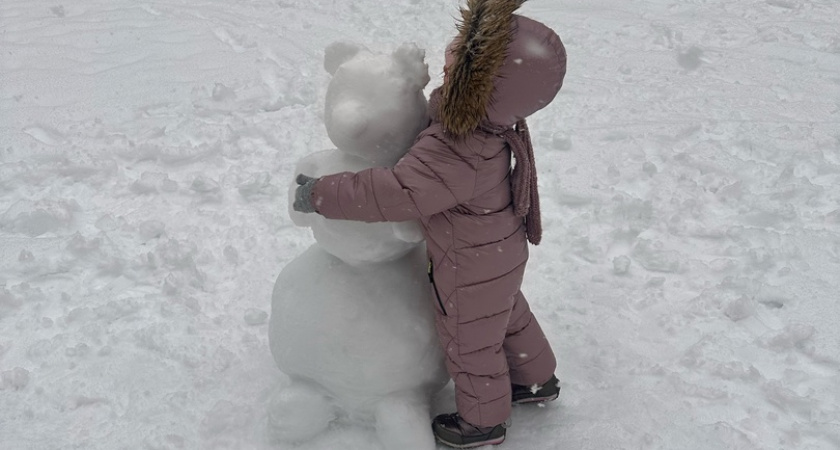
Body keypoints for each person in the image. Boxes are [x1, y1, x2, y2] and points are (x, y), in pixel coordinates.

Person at [293, 0, 567, 447]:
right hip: (498, 249)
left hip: (467, 262)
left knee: (471, 341)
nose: (453, 44)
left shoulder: (456, 146)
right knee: (507, 315)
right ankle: (537, 379)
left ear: (481, 83)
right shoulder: (490, 123)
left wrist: (321, 192)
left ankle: (483, 422)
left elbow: (397, 192)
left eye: (466, 51)